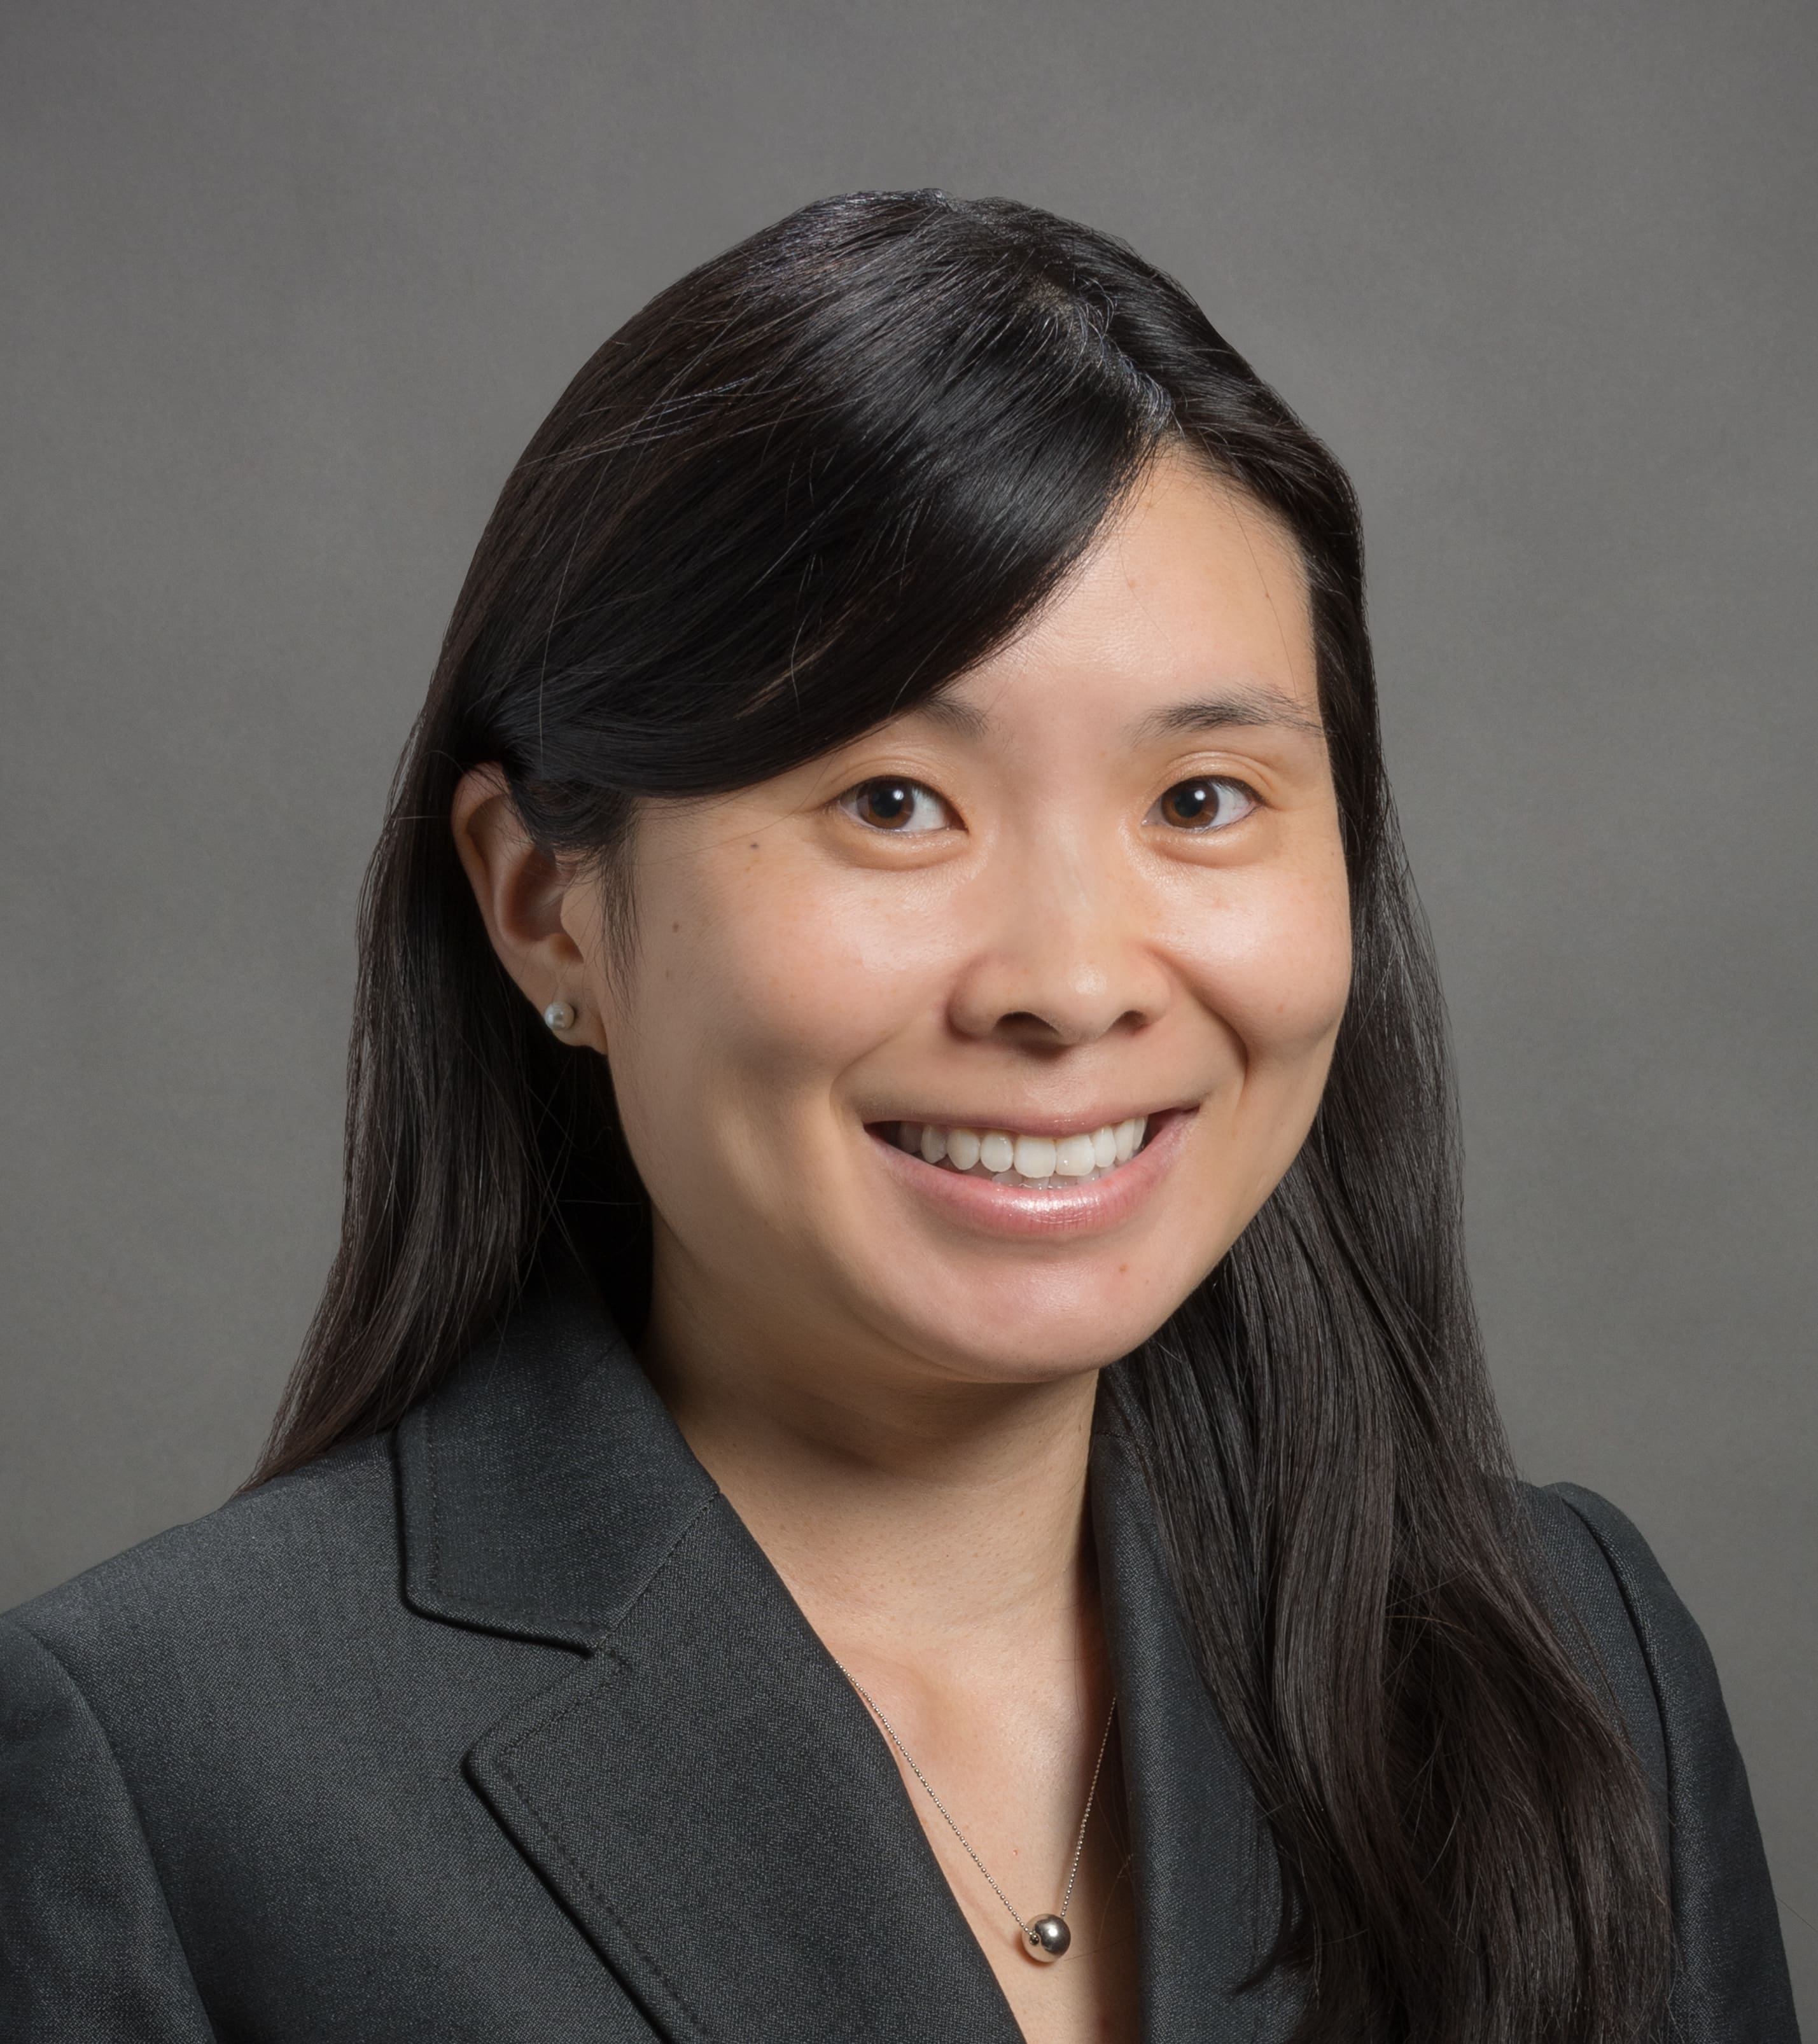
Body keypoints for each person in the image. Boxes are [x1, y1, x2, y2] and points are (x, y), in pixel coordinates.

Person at [0, 191, 1797, 2044]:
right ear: (547, 903)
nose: (1071, 981)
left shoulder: (1570, 1654)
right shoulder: (153, 1771)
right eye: (890, 803)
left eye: (1198, 799)